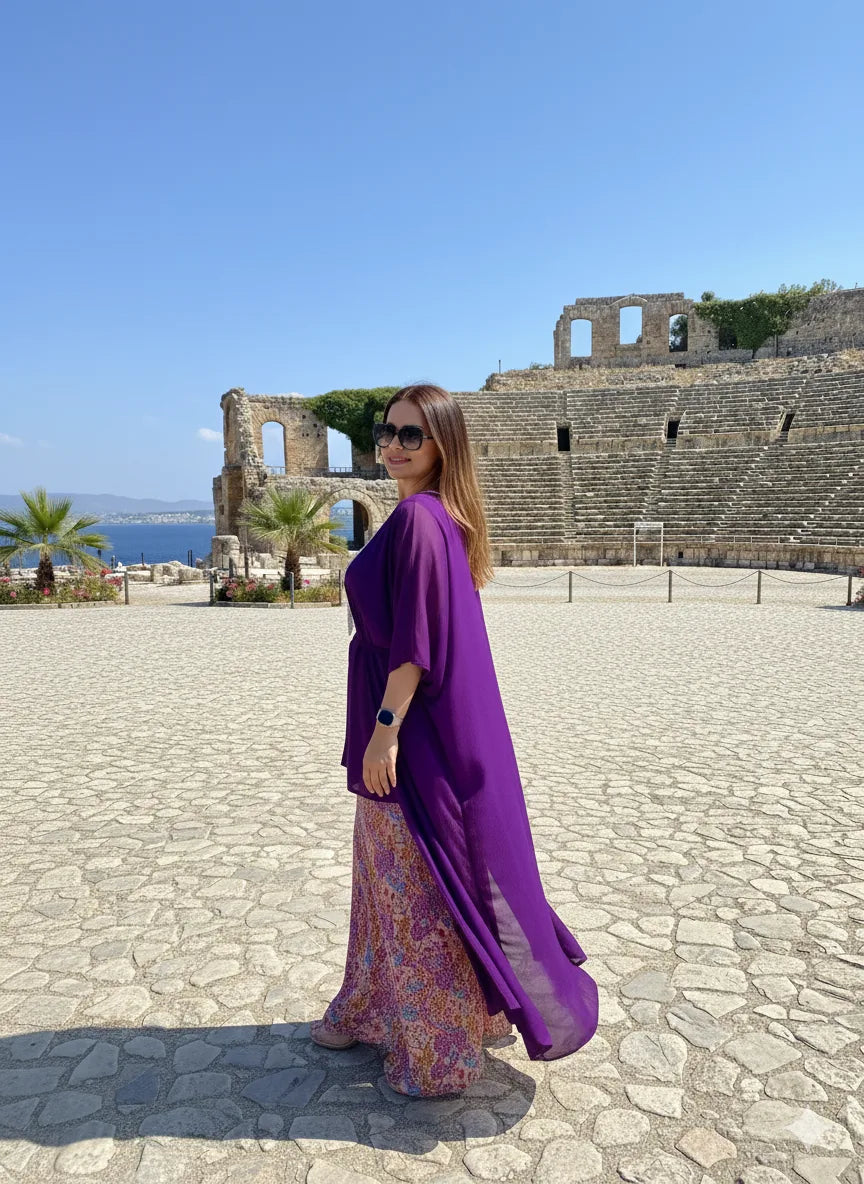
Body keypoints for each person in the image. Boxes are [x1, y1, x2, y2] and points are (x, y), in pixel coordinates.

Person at [309, 384, 598, 1097]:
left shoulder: (417, 519)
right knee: (387, 883)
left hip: (411, 740)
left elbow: (415, 646)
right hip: (417, 730)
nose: (395, 444)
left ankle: (435, 1053)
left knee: (409, 892)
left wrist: (385, 736)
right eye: (389, 431)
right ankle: (370, 1008)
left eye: (413, 434)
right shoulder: (438, 517)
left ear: (443, 445)